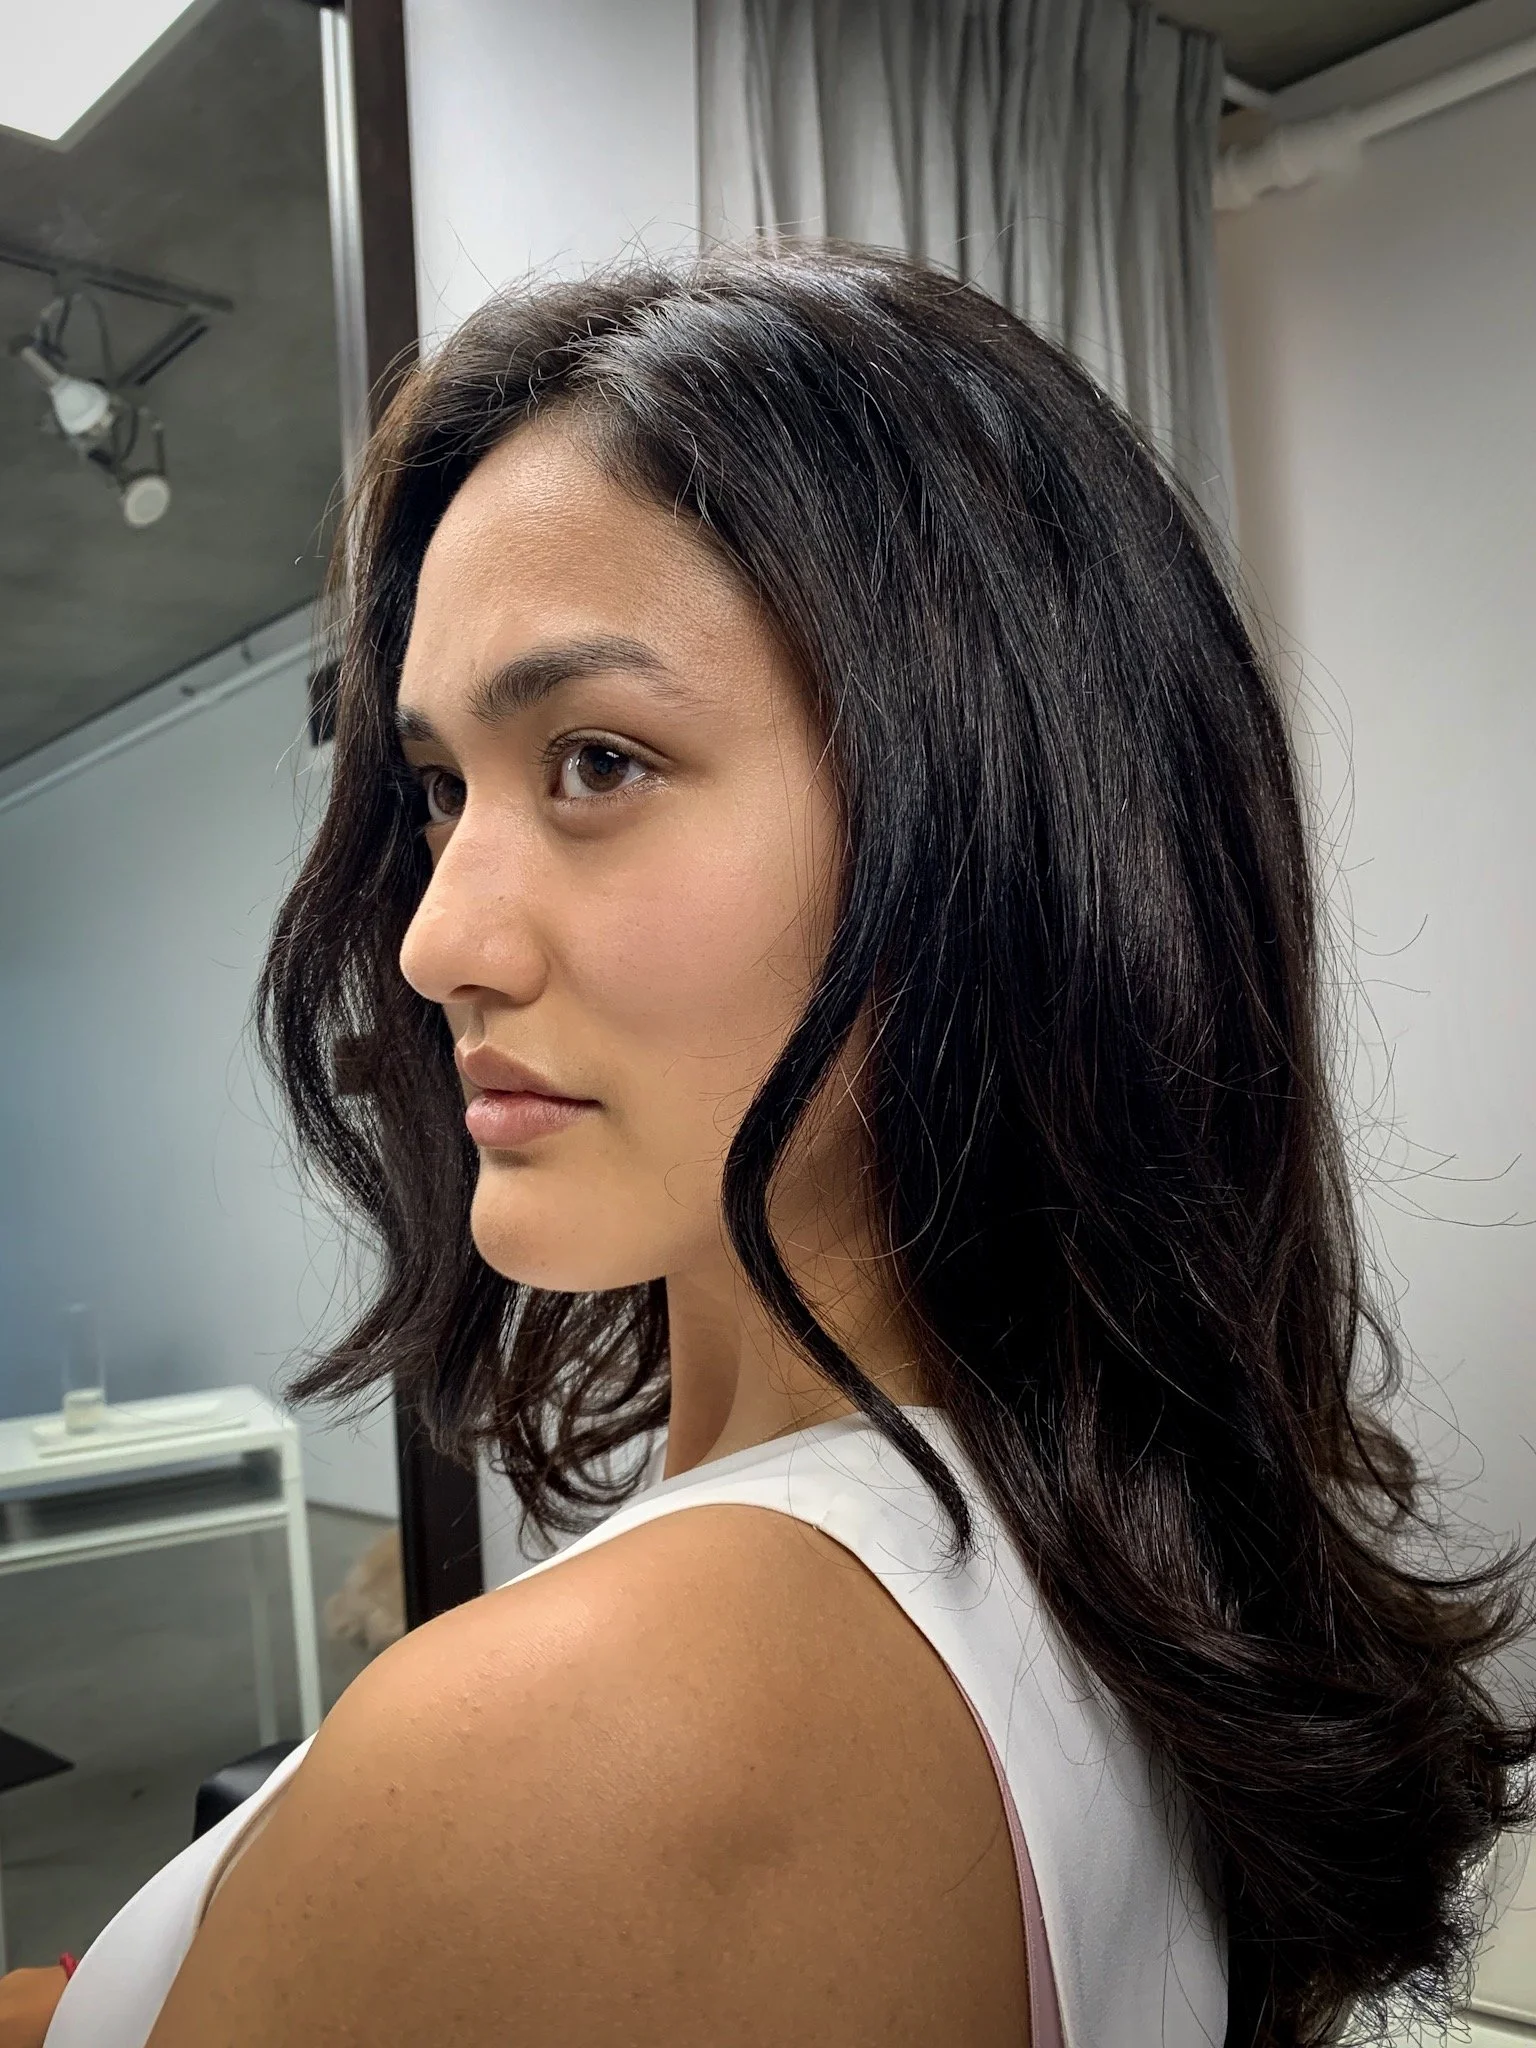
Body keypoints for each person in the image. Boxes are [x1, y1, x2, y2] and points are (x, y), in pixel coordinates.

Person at [10, 245, 1532, 2048]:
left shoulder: (610, 1729)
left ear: (986, 822)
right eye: (439, 791)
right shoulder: (1080, 1543)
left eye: (596, 760)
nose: (435, 942)